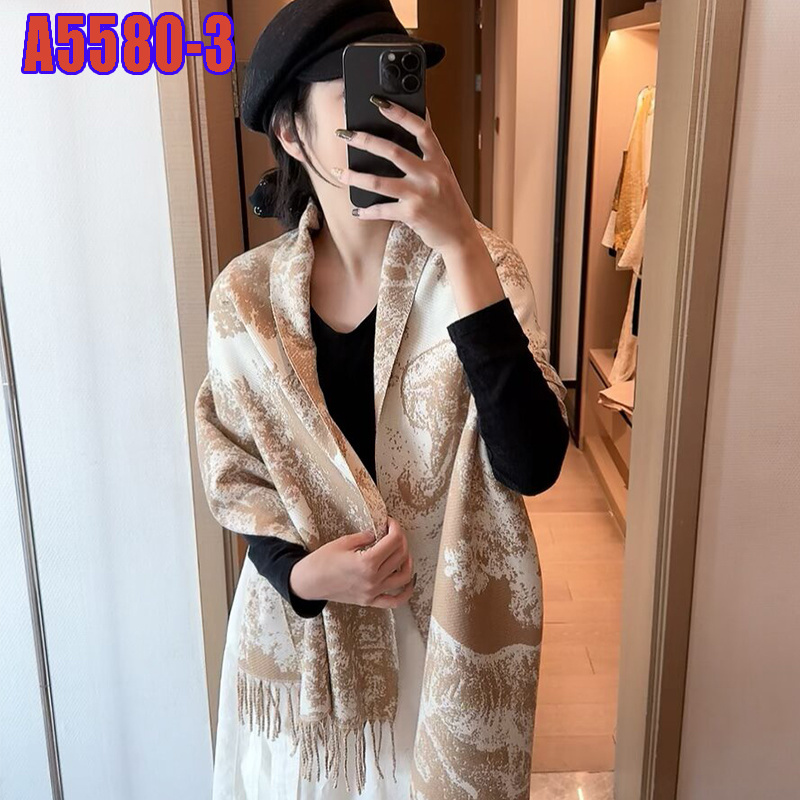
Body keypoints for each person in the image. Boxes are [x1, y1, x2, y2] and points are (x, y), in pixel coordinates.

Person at [195, 1, 571, 797]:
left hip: (441, 649)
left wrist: (459, 242)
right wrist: (306, 577)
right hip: (302, 650)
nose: (390, 121)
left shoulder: (482, 266)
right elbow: (237, 476)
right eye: (357, 99)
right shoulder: (245, 299)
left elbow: (533, 464)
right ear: (291, 131)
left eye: (400, 91)